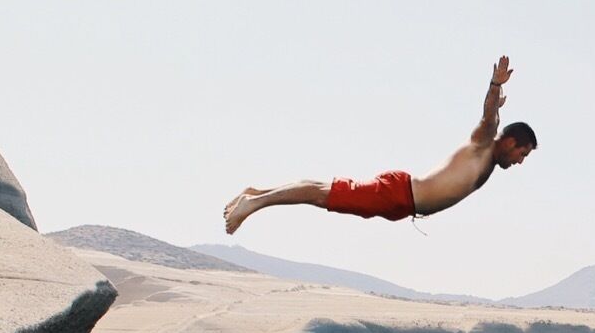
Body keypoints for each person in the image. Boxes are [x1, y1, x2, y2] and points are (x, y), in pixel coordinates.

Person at [224, 57, 536, 232]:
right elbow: (487, 119)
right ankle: (253, 205)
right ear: (510, 141)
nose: (521, 161)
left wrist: (497, 105)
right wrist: (494, 86)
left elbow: (492, 118)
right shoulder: (484, 144)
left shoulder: (490, 156)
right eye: (522, 153)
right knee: (323, 196)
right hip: (398, 194)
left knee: (324, 188)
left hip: (402, 201)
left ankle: (255, 193)